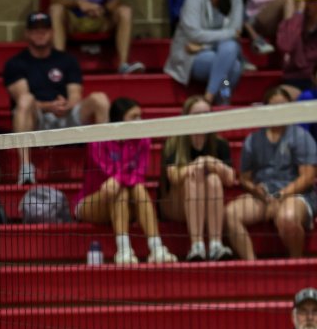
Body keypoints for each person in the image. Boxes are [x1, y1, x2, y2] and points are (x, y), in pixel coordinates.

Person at [3, 11, 109, 187]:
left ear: (52, 32)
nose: (40, 33)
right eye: (35, 30)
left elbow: (75, 94)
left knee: (100, 99)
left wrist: (66, 105)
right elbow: (22, 97)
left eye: (44, 29)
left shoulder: (67, 60)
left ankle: (100, 164)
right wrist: (49, 106)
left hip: (65, 115)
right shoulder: (16, 64)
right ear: (27, 33)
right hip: (37, 119)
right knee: (25, 100)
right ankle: (26, 168)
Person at [73, 97, 177, 265]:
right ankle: (123, 250)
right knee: (119, 190)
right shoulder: (98, 141)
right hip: (93, 201)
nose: (139, 121)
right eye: (134, 117)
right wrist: (121, 178)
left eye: (140, 116)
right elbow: (108, 177)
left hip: (125, 202)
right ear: (119, 120)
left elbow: (139, 174)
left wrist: (119, 178)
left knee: (137, 188)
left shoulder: (142, 139)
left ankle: (157, 249)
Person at [225, 87, 317, 261]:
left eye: (283, 106)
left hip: (296, 194)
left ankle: (295, 262)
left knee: (287, 218)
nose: (278, 111)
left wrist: (281, 195)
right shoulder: (253, 140)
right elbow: (244, 178)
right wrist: (255, 189)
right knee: (230, 213)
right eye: (273, 107)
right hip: (264, 195)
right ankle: (252, 265)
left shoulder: (301, 137)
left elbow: (308, 177)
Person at [158, 96, 235, 262]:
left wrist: (209, 161)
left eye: (206, 114)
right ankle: (197, 245)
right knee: (191, 179)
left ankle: (215, 244)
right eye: (197, 114)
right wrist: (195, 166)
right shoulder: (174, 143)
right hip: (175, 204)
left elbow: (230, 179)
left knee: (214, 179)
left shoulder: (219, 143)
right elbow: (174, 177)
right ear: (186, 117)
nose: (202, 119)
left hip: (206, 203)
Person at [164, 0, 244, 104]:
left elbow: (235, 32)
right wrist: (228, 34)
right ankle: (223, 101)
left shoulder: (236, 1)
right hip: (191, 56)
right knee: (232, 65)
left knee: (230, 55)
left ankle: (210, 96)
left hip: (214, 53)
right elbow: (194, 34)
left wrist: (203, 46)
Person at [277, 0, 317, 96]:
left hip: (315, 78)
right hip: (294, 79)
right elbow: (285, 46)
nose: (307, 6)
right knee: (279, 96)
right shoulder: (291, 24)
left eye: (311, 1)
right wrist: (298, 14)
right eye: (303, 1)